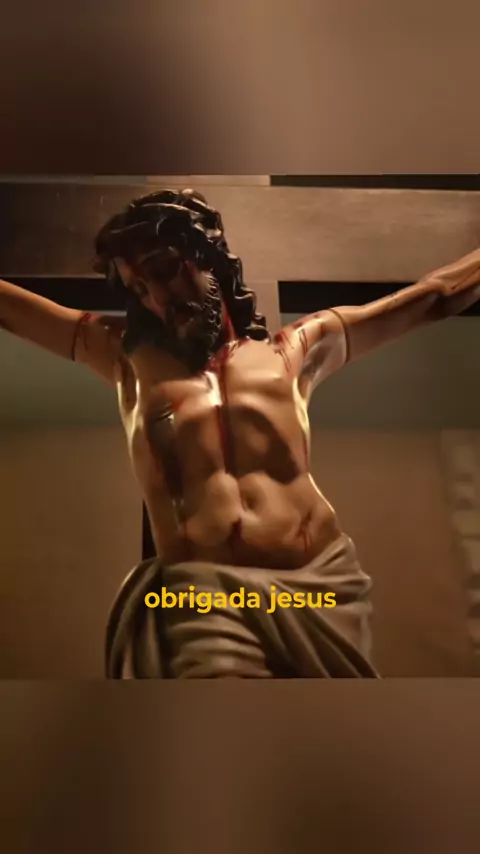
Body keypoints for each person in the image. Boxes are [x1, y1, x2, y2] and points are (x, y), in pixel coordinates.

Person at [1, 188, 479, 679]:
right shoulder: (127, 359)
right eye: (139, 289)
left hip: (319, 587)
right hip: (203, 594)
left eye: (165, 269)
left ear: (208, 255)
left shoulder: (294, 351)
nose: (160, 299)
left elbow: (434, 297)